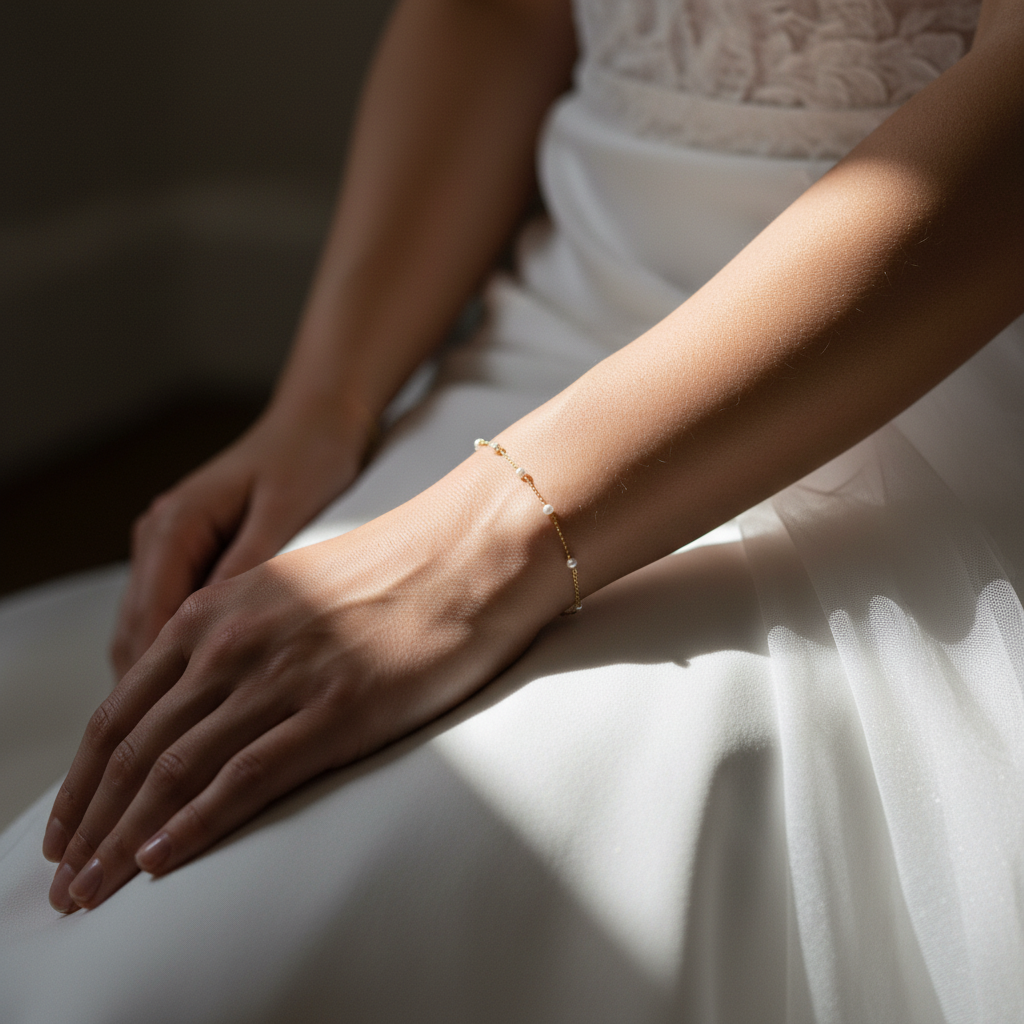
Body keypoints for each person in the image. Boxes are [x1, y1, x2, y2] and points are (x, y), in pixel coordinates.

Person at [1, 0, 1022, 1019]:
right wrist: (323, 404)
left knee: (157, 983)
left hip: (928, 358)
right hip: (555, 330)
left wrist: (480, 543)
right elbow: (490, 15)